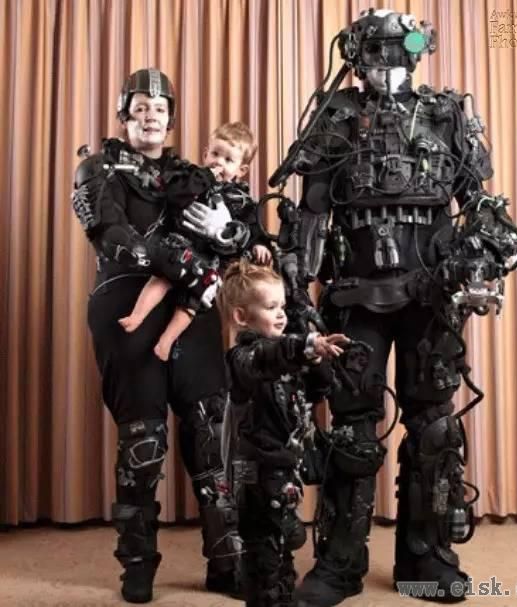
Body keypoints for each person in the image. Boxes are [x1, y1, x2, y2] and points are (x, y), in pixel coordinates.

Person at [268, 8, 517, 606]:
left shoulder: (446, 113)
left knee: (434, 425)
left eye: (399, 50)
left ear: (417, 53)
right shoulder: (336, 115)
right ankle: (339, 563)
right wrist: (296, 288)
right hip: (354, 296)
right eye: (376, 52)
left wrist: (483, 253)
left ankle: (425, 558)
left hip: (429, 295)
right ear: (356, 57)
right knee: (352, 432)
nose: (388, 63)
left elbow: (478, 204)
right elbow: (310, 212)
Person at [71, 68, 247, 603]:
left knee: (211, 435)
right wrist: (180, 258)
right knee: (143, 442)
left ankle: (227, 562)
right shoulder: (97, 168)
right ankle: (138, 564)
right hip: (127, 304)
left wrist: (229, 233)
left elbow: (235, 232)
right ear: (124, 115)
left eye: (161, 109)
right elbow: (113, 236)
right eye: (141, 108)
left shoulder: (190, 173)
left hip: (191, 309)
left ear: (171, 120)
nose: (151, 116)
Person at [218, 260, 348, 607]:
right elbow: (268, 356)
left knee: (282, 550)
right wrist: (304, 347)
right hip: (256, 473)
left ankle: (283, 596)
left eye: (282, 306)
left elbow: (319, 390)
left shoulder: (287, 357)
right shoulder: (243, 358)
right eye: (270, 307)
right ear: (241, 316)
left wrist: (318, 360)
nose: (280, 314)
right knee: (264, 556)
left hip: (284, 467)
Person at [118, 122, 272, 361]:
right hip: (181, 244)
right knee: (163, 277)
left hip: (209, 260)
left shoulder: (242, 201)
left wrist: (260, 244)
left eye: (228, 160)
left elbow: (253, 229)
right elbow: (174, 196)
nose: (219, 162)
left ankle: (166, 342)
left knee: (194, 301)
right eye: (215, 154)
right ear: (205, 154)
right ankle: (136, 316)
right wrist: (204, 178)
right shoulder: (193, 178)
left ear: (241, 170)